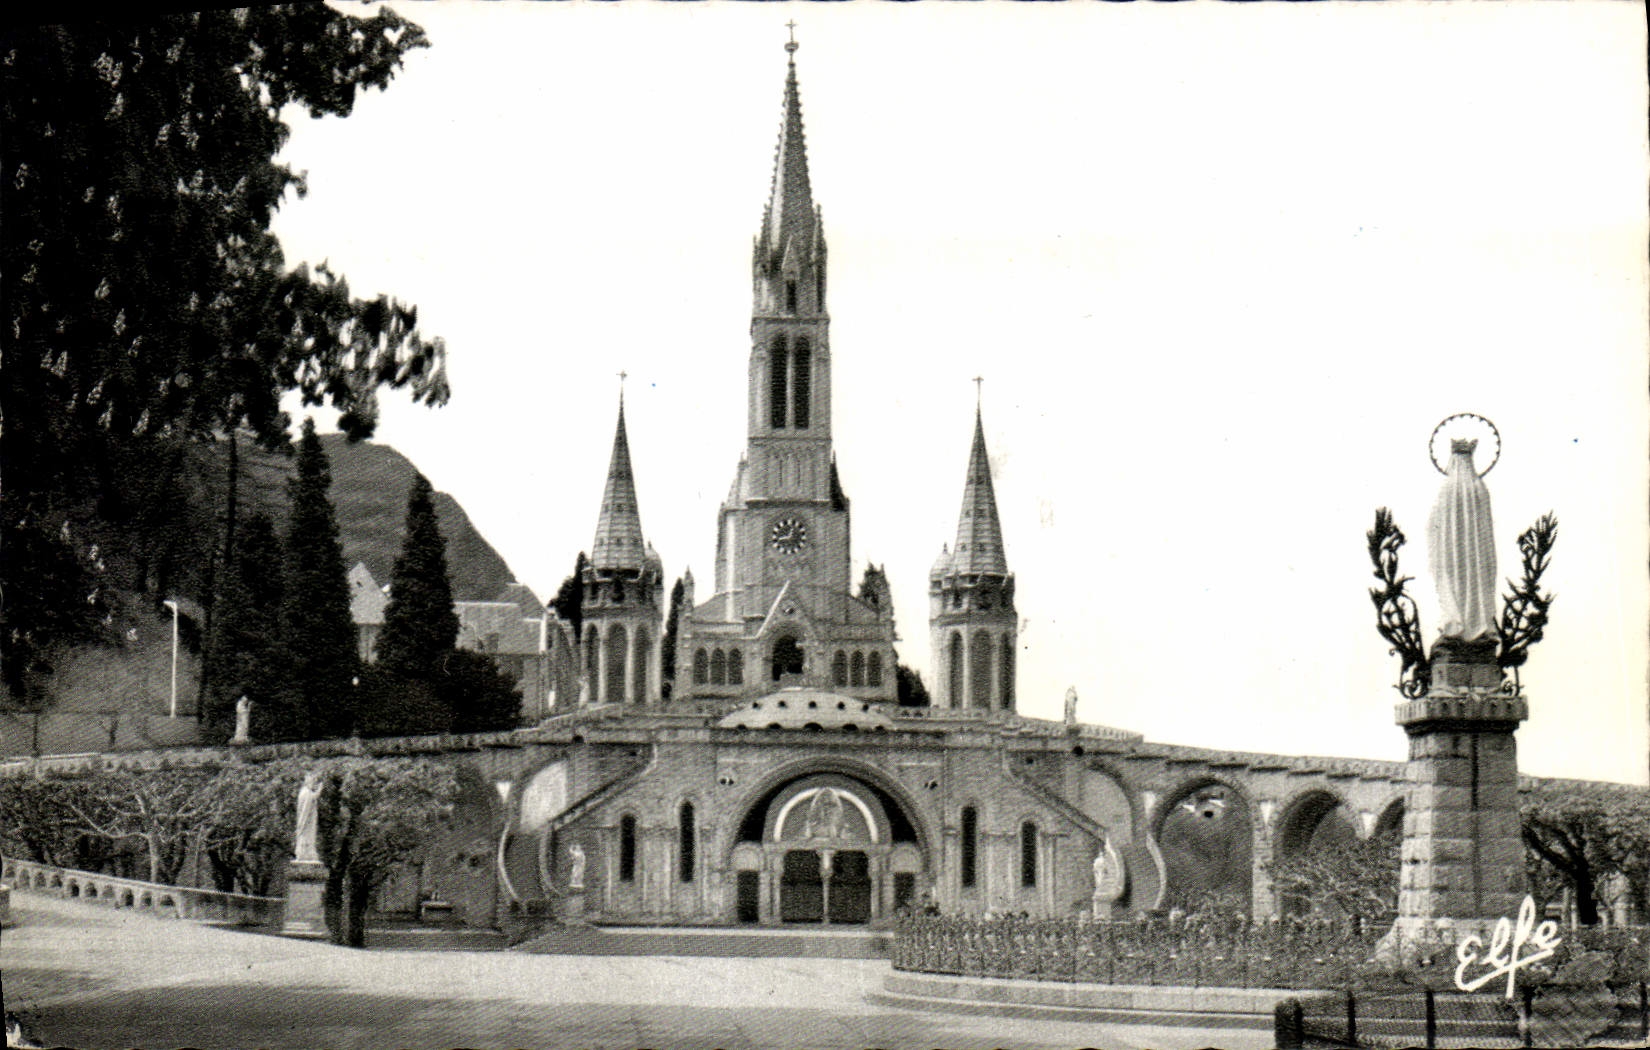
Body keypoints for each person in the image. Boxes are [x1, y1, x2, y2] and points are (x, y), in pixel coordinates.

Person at [293, 769, 323, 864]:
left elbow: (312, 797)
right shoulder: (306, 792)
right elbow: (311, 798)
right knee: (306, 836)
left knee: (309, 836)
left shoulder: (306, 792)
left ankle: (308, 851)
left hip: (309, 820)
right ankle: (305, 852)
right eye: (313, 781)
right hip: (306, 821)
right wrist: (319, 790)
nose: (314, 784)